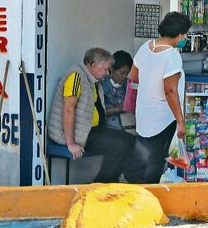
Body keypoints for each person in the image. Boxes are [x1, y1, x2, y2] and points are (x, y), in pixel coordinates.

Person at [47, 47, 140, 183]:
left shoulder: (93, 80)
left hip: (89, 131)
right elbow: (68, 110)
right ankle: (100, 184)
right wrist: (71, 144)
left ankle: (113, 180)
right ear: (93, 65)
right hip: (73, 135)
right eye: (105, 69)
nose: (107, 73)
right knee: (118, 146)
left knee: (129, 139)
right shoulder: (76, 76)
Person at [130, 11, 192, 184]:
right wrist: (180, 121)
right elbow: (170, 91)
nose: (185, 38)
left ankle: (137, 190)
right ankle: (149, 194)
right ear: (179, 34)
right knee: (155, 162)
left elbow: (133, 76)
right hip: (163, 118)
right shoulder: (172, 55)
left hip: (143, 113)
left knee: (143, 159)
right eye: (185, 34)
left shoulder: (145, 47)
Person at [103, 50, 133, 130]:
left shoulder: (130, 85)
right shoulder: (101, 86)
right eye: (122, 73)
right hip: (109, 131)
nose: (125, 77)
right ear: (111, 68)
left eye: (127, 73)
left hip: (130, 129)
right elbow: (95, 113)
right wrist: (117, 109)